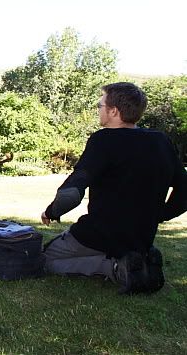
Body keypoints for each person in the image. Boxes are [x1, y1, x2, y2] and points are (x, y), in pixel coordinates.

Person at [41, 82, 187, 294]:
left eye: (100, 105)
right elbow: (185, 190)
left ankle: (116, 268)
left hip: (98, 234)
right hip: (141, 236)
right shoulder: (161, 141)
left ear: (114, 111)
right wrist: (158, 215)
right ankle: (139, 259)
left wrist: (50, 211)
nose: (98, 109)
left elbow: (71, 194)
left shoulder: (103, 140)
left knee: (45, 259)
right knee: (110, 248)